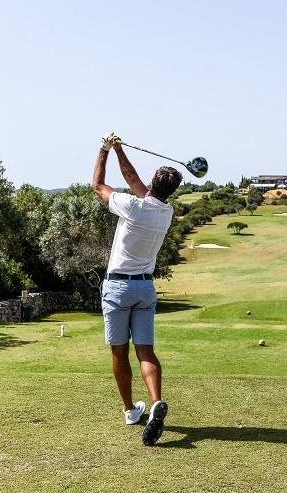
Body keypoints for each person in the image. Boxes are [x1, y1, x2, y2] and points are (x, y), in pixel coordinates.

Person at [91, 132, 183, 446]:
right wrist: (118, 151)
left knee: (119, 351)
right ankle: (155, 400)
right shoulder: (165, 213)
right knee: (145, 351)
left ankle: (130, 409)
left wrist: (105, 150)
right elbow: (134, 179)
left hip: (117, 289)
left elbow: (99, 186)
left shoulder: (132, 206)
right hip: (145, 290)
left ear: (153, 183)